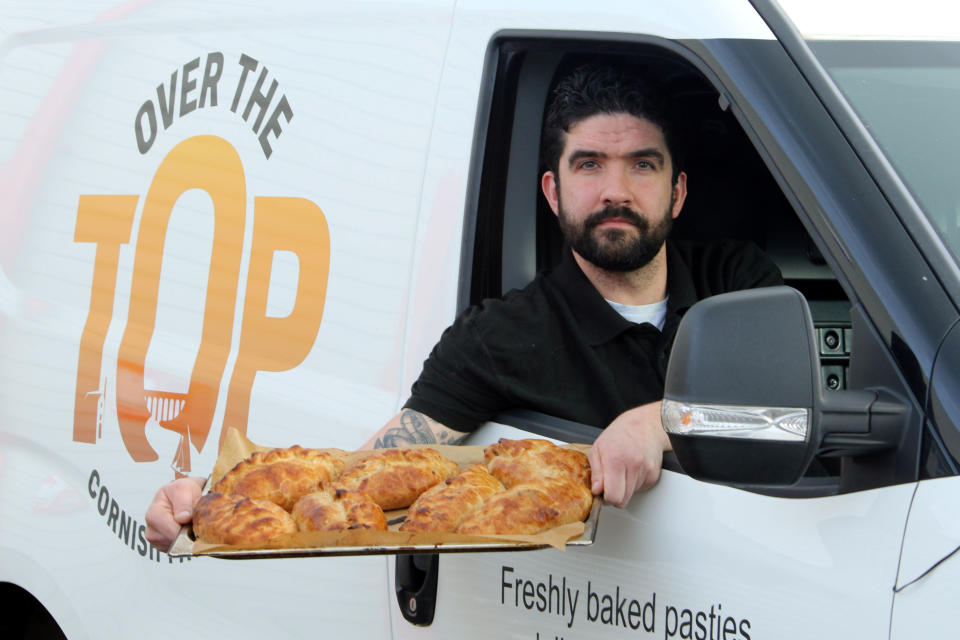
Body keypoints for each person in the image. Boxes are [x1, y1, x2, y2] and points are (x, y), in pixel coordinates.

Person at [145, 62, 782, 551]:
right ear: (552, 191)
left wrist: (655, 422)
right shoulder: (501, 336)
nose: (615, 190)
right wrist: (211, 500)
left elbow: (787, 415)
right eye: (589, 165)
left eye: (642, 165)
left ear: (677, 191)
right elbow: (365, 473)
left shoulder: (739, 282)